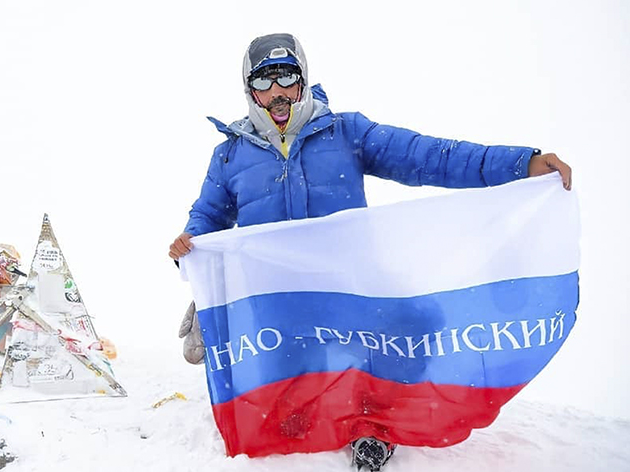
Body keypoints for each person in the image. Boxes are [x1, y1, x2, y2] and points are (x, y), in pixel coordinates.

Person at [169, 33, 572, 470]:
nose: (277, 92)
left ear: (303, 80)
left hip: (349, 289)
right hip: (280, 304)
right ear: (250, 90)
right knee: (285, 401)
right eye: (265, 82)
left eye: (287, 77)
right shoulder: (229, 156)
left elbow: (429, 156)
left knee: (413, 331)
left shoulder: (346, 133)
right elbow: (207, 217)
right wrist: (198, 264)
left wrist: (519, 163)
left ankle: (375, 428)